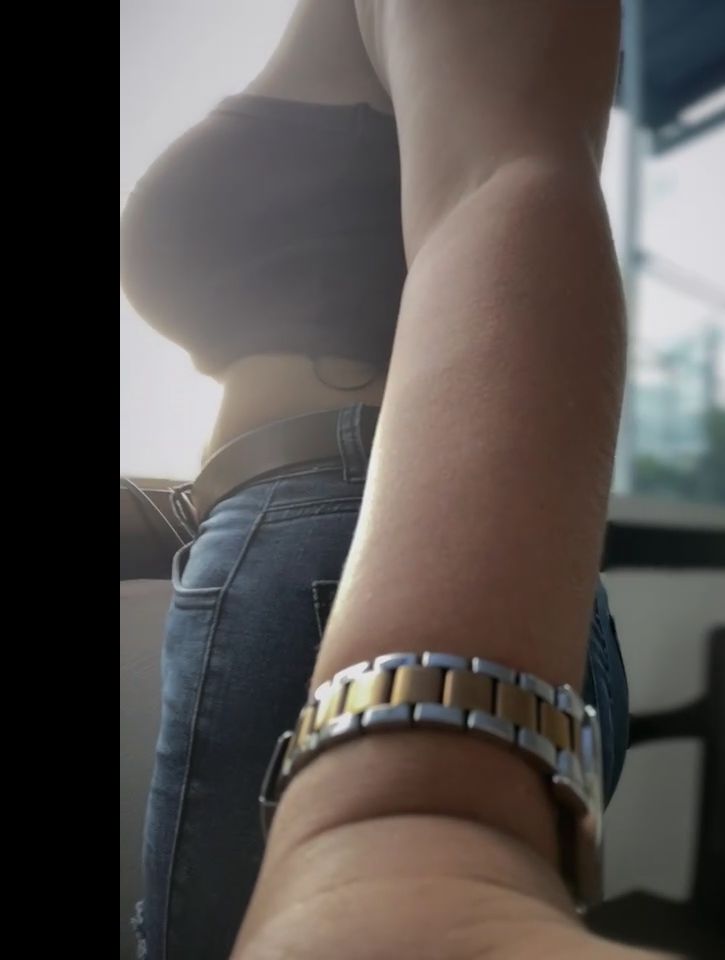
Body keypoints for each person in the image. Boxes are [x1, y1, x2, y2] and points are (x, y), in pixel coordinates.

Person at [120, 2, 632, 957]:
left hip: (359, 563)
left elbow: (500, 181)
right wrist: (187, 515)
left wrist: (421, 817)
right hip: (297, 539)